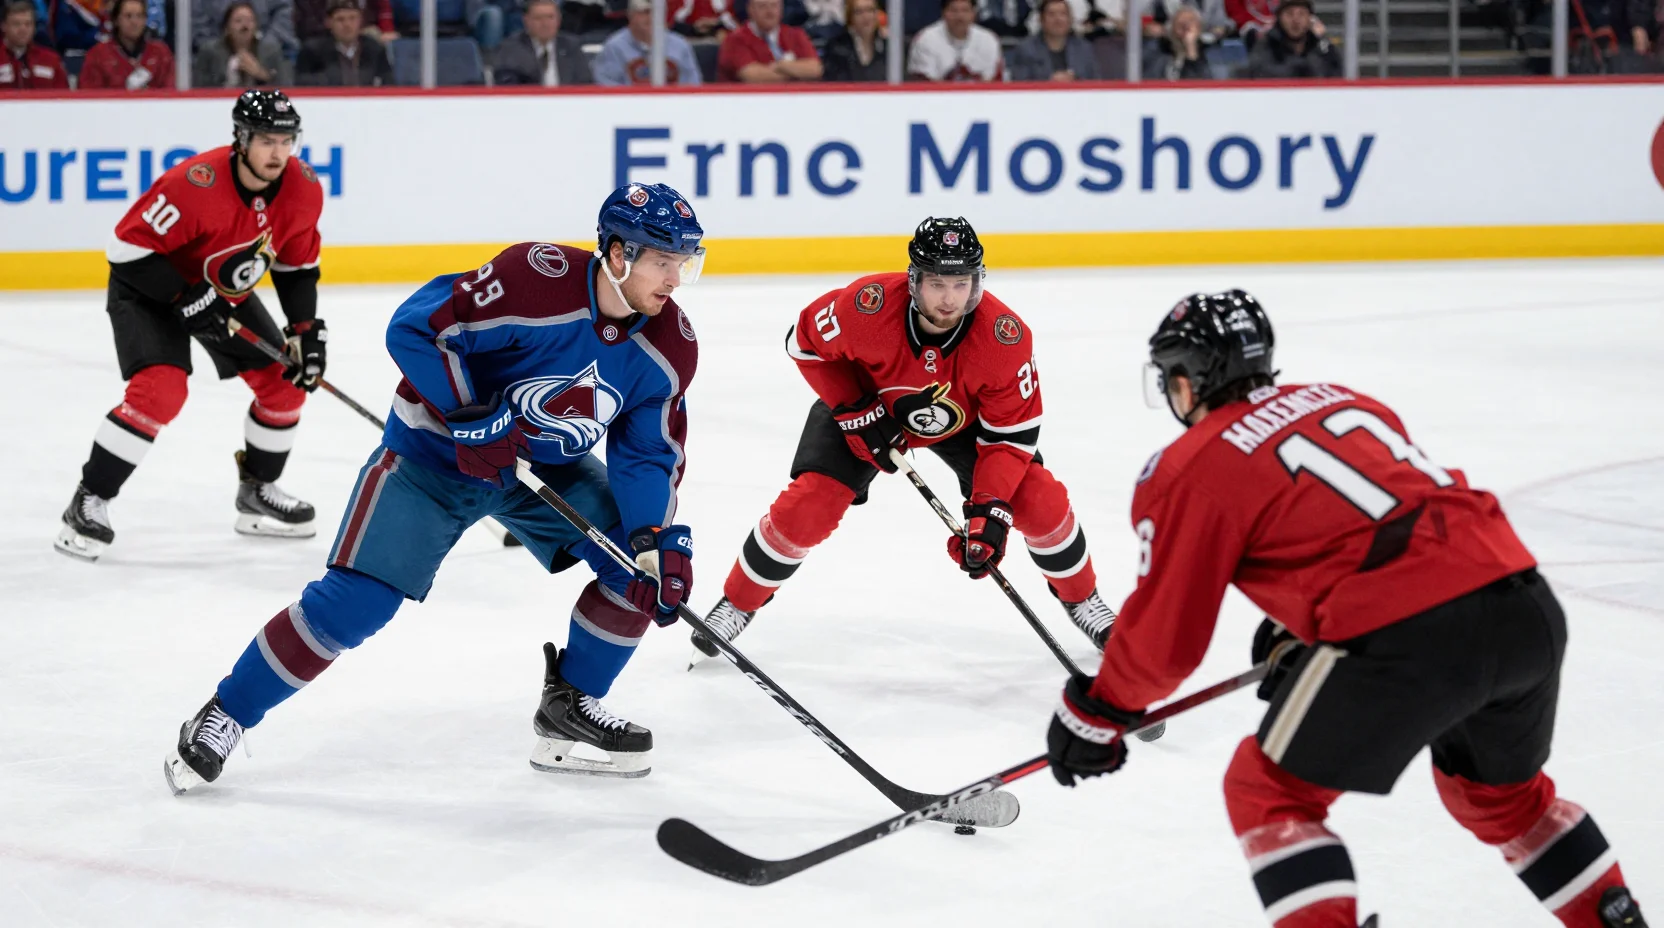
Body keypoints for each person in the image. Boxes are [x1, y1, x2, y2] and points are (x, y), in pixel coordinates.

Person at [1047, 290, 1649, 928]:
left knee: (1268, 792)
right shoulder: (1344, 398)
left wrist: (1098, 710)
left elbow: (1168, 636)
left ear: (1189, 379)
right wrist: (1306, 630)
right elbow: (1382, 524)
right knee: (1502, 801)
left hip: (1410, 634)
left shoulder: (1190, 465)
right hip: (1523, 604)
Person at [162, 183, 705, 793]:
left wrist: (652, 537)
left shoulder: (668, 346)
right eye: (664, 261)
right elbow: (417, 328)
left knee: (636, 568)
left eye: (685, 262)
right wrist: (468, 413)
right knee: (354, 606)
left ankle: (569, 710)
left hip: (540, 471)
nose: (676, 279)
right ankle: (226, 713)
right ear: (617, 253)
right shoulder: (534, 278)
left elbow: (647, 452)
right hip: (434, 458)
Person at [690, 218, 1115, 665]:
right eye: (936, 283)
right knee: (810, 506)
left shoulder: (1003, 338)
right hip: (867, 404)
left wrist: (987, 510)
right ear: (913, 280)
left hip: (965, 424)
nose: (949, 298)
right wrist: (853, 407)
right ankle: (739, 601)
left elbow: (1011, 437)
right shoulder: (867, 307)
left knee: (1039, 500)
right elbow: (804, 344)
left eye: (960, 283)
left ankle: (1083, 599)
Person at [56, 91, 326, 562]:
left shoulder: (303, 189)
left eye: (286, 140)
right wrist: (184, 297)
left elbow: (296, 267)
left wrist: (306, 330)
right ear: (241, 139)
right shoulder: (195, 184)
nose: (278, 152)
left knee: (286, 383)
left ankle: (257, 493)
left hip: (220, 293)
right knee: (161, 391)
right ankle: (88, 499)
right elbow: (124, 250)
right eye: (266, 139)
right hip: (149, 290)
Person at [594, 0, 703, 85]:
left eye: (657, 12)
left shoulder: (680, 46)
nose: (652, 17)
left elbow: (692, 86)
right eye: (645, 12)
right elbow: (607, 88)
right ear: (631, 15)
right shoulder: (614, 47)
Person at [79, 0, 177, 89]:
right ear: (116, 20)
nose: (134, 22)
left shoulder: (161, 53)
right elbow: (89, 97)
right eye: (128, 16)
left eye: (139, 16)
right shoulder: (97, 55)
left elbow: (169, 92)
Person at [194, 1, 293, 87]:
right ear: (227, 28)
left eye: (250, 21)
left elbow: (285, 85)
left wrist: (260, 73)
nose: (245, 26)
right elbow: (199, 86)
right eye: (238, 21)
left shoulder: (271, 51)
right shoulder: (210, 52)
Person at [493, 0, 593, 85]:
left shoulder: (571, 45)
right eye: (538, 18)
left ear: (559, 20)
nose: (545, 24)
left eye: (550, 17)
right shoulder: (511, 48)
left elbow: (585, 82)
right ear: (526, 21)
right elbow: (507, 85)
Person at [716, 0, 821, 81]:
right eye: (763, 6)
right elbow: (753, 76)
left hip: (794, 99)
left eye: (774, 6)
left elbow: (815, 69)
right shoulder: (735, 40)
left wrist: (780, 65)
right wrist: (797, 73)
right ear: (751, 9)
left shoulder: (796, 34)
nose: (770, 12)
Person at [295, 0, 393, 85]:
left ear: (361, 20)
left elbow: (388, 83)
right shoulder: (312, 51)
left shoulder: (374, 49)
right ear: (328, 22)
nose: (347, 25)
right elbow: (302, 84)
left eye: (352, 18)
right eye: (340, 19)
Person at [907, 0, 1003, 81]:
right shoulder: (926, 39)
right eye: (953, 11)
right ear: (943, 13)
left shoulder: (988, 39)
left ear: (974, 13)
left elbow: (993, 82)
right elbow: (924, 83)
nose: (959, 16)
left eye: (965, 10)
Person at [1009, 0, 1098, 80]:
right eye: (1051, 14)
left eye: (1063, 14)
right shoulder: (1026, 49)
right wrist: (1049, 82)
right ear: (1041, 20)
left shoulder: (1085, 49)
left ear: (1070, 19)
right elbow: (1019, 84)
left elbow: (1096, 83)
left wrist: (1075, 80)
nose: (1058, 19)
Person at [1246, 0, 1338, 77]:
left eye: (1301, 14)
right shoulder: (1266, 44)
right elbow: (1263, 73)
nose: (1295, 20)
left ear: (1310, 19)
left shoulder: (1321, 46)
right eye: (1289, 14)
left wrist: (1322, 39)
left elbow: (1336, 73)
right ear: (1279, 18)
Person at [193, 0, 297, 59]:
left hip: (267, 50)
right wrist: (220, 50)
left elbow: (284, 12)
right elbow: (196, 20)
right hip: (213, 53)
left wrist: (263, 49)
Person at [0, 0, 67, 89]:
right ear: (4, 26)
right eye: (16, 24)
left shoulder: (50, 60)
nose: (23, 30)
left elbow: (64, 97)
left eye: (28, 24)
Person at [820, 0, 887, 81]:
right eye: (859, 12)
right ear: (850, 17)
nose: (866, 17)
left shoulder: (888, 47)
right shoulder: (837, 48)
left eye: (870, 10)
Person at [1144, 2, 1210, 79]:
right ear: (1171, 29)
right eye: (1181, 24)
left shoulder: (1211, 55)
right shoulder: (1158, 55)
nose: (1186, 29)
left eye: (1190, 22)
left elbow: (1201, 86)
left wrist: (1191, 50)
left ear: (1199, 28)